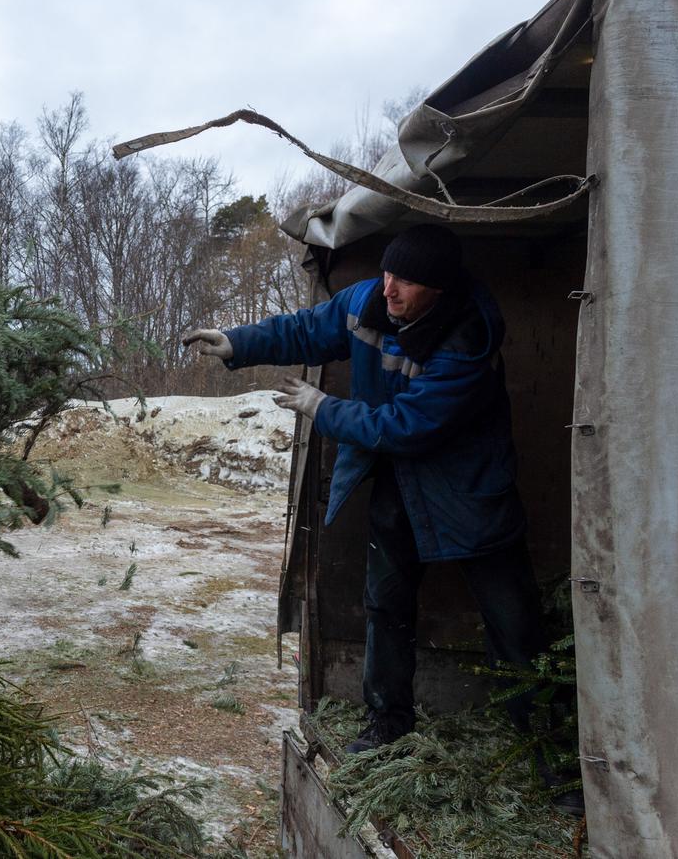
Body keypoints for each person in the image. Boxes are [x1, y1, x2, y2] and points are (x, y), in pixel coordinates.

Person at [183, 224, 549, 757]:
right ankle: (387, 724)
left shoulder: (468, 337)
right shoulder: (368, 300)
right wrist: (240, 342)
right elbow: (309, 328)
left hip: (467, 489)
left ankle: (551, 755)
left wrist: (323, 408)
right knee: (385, 604)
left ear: (440, 289)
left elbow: (407, 424)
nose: (389, 289)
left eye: (406, 282)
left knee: (513, 623)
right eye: (388, 273)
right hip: (398, 481)